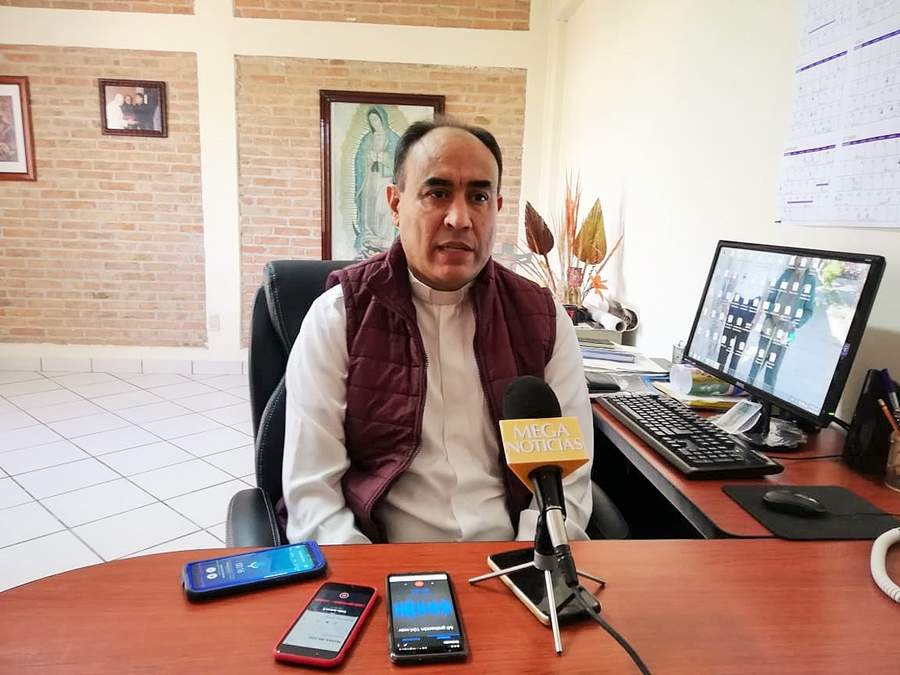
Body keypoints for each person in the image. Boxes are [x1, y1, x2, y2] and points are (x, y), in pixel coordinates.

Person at [283, 118, 594, 545]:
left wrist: (528, 562)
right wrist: (368, 573)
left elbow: (567, 481)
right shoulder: (339, 317)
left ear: (497, 208)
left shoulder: (543, 318)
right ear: (395, 204)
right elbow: (312, 492)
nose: (460, 218)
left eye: (479, 197)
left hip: (513, 556)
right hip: (385, 558)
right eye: (437, 193)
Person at [352, 106, 400, 257]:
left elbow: (400, 162)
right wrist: (368, 157)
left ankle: (385, 239)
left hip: (386, 178)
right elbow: (359, 160)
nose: (375, 123)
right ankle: (369, 236)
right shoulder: (367, 139)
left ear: (382, 119)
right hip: (370, 178)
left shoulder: (393, 138)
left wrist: (384, 158)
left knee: (383, 206)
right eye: (371, 120)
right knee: (369, 206)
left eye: (376, 119)